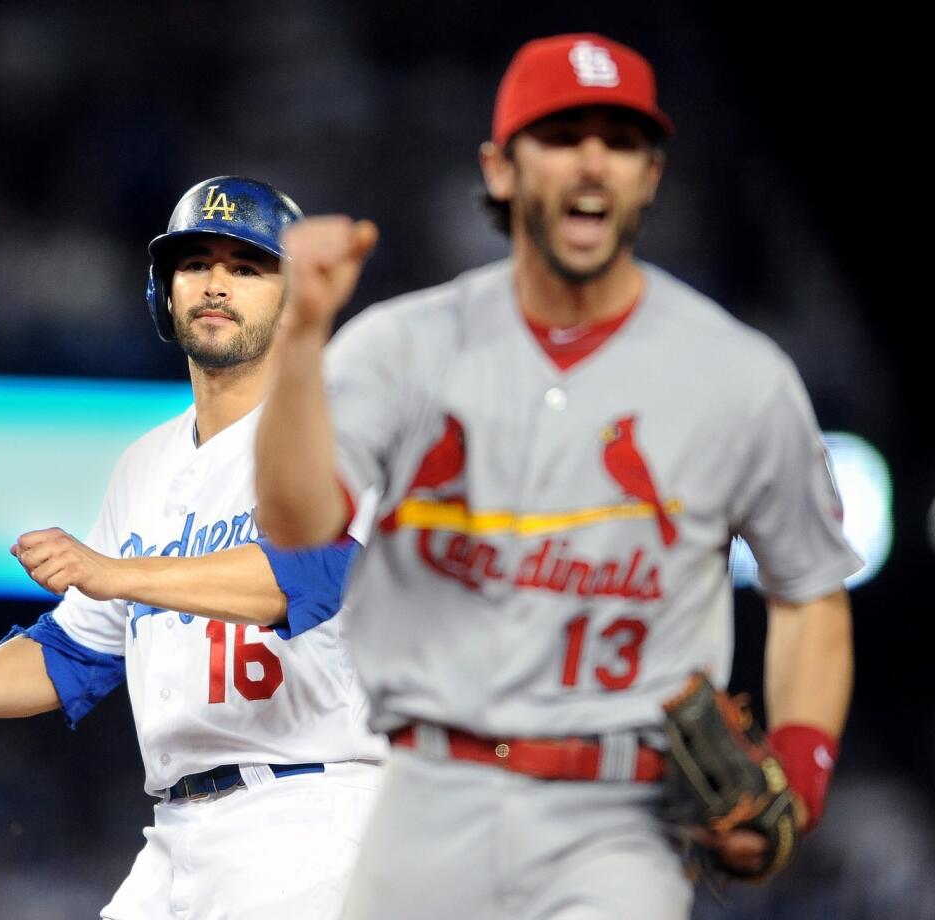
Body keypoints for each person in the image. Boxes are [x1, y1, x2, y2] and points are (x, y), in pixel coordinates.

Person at [254, 33, 862, 919]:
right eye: (563, 134)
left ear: (650, 176)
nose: (592, 162)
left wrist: (800, 783)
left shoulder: (738, 375)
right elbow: (299, 523)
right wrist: (299, 347)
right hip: (429, 794)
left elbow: (810, 591)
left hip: (622, 820)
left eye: (619, 141)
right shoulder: (403, 347)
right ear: (501, 169)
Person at [0, 176, 385, 920]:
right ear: (162, 293)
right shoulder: (145, 463)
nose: (215, 284)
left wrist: (117, 572)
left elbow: (311, 575)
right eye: (195, 263)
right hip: (176, 831)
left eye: (245, 267)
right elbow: (76, 651)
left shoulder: (336, 424)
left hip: (311, 813)